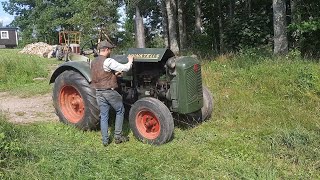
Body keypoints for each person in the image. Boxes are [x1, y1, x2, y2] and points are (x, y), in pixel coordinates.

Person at [90, 40, 134, 146]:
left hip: (98, 92)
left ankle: (105, 140)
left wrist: (114, 74)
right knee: (120, 110)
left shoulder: (93, 62)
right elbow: (126, 68)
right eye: (110, 49)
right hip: (109, 91)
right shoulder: (108, 61)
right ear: (106, 50)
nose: (110, 51)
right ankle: (118, 137)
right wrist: (130, 60)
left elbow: (101, 74)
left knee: (104, 115)